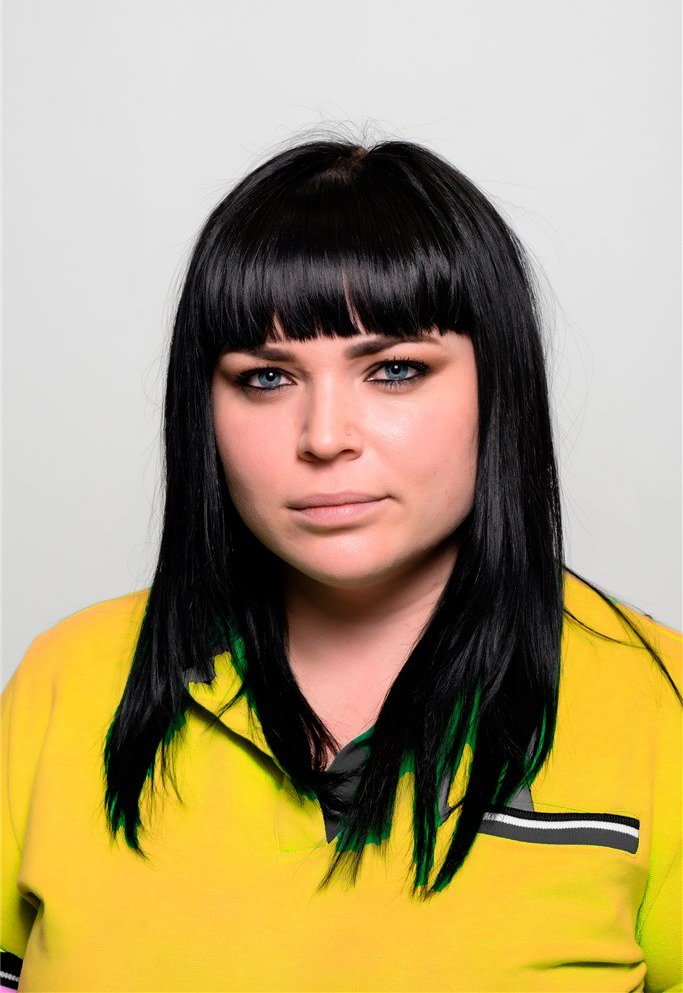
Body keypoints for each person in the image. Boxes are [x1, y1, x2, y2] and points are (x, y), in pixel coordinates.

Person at [1, 135, 681, 993]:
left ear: (497, 385)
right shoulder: (68, 680)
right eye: (265, 378)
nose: (324, 438)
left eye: (393, 370)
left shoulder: (658, 704)